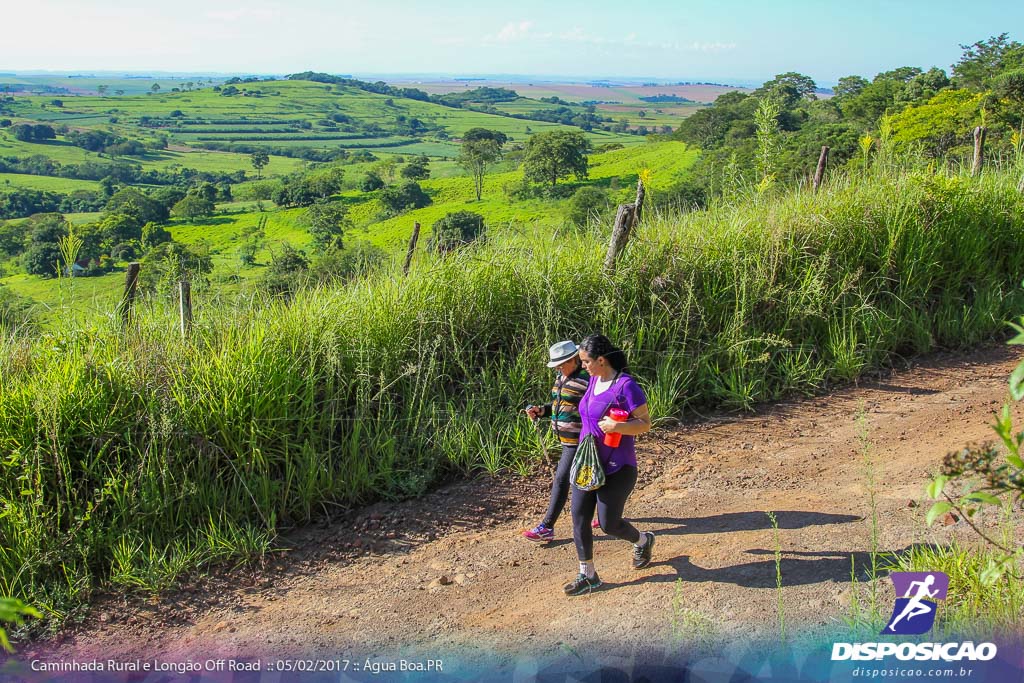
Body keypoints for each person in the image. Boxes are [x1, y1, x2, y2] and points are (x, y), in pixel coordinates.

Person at [563, 333, 654, 596]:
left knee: (609, 524)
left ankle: (643, 540)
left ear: (601, 360)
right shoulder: (593, 380)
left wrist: (617, 426)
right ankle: (588, 574)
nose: (583, 366)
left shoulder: (626, 386)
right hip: (589, 464)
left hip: (618, 466)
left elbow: (645, 424)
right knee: (579, 518)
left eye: (586, 361)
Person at [522, 340, 590, 543]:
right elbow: (559, 405)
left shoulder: (588, 379)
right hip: (566, 440)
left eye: (561, 364)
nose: (559, 368)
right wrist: (541, 411)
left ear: (573, 359)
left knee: (561, 479)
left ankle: (547, 526)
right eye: (557, 365)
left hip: (582, 440)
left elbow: (596, 407)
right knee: (588, 480)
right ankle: (606, 515)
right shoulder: (562, 376)